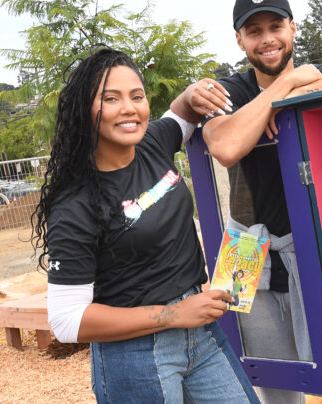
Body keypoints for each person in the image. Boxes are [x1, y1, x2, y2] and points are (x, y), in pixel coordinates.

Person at [181, 0, 322, 404]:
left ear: (293, 28)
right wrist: (279, 91)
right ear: (239, 40)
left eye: (275, 26)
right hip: (244, 247)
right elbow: (225, 147)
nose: (267, 38)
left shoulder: (320, 72)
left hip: (317, 245)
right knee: (270, 380)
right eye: (254, 31)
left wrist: (304, 92)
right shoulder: (232, 91)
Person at [31, 47, 259, 403]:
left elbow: (183, 112)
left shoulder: (152, 142)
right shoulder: (75, 204)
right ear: (84, 110)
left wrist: (191, 93)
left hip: (201, 333)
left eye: (137, 96)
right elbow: (67, 321)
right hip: (135, 355)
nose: (129, 108)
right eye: (111, 98)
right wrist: (172, 314)